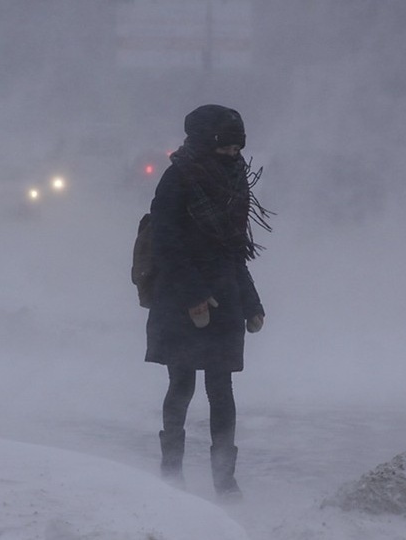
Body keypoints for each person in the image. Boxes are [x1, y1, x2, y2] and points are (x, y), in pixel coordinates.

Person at [145, 104, 271, 501]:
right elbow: (166, 243)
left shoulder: (234, 180)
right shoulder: (177, 178)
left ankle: (224, 480)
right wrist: (195, 297)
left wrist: (251, 302)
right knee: (180, 386)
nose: (234, 156)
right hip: (181, 298)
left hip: (226, 297)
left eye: (238, 149)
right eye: (225, 149)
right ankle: (171, 477)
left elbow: (235, 251)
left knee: (222, 390)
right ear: (203, 144)